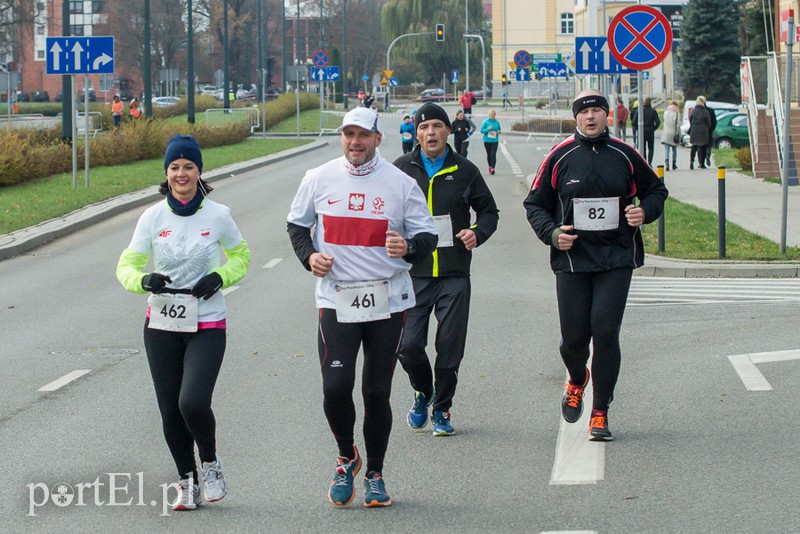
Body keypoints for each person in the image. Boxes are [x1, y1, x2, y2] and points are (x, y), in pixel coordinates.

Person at [286, 107, 437, 508]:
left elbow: (427, 234)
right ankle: (346, 455)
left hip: (388, 300)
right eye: (348, 135)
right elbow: (298, 225)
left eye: (363, 135)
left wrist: (409, 247)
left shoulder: (401, 184)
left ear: (377, 139)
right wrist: (309, 257)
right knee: (335, 387)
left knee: (375, 391)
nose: (355, 142)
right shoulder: (317, 178)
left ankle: (375, 473)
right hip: (336, 297)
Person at [115, 134, 251, 511]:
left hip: (206, 322)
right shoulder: (152, 216)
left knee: (192, 401)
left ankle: (209, 462)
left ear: (199, 172)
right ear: (166, 173)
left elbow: (241, 256)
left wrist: (221, 277)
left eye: (188, 167)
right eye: (174, 167)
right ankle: (186, 481)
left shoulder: (218, 215)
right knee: (170, 408)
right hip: (161, 324)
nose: (181, 174)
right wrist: (143, 280)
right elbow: (126, 264)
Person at [523, 90, 668, 442]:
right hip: (573, 259)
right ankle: (576, 379)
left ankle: (600, 412)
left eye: (597, 111)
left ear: (607, 116)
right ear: (576, 118)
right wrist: (553, 234)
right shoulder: (560, 156)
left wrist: (644, 211)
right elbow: (535, 204)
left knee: (605, 333)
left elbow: (656, 191)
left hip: (617, 257)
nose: (591, 117)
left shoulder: (625, 154)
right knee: (573, 341)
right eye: (584, 112)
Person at [393, 102, 499, 436]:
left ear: (448, 131)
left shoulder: (465, 170)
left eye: (437, 126)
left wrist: (477, 232)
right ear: (416, 133)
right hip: (413, 273)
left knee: (450, 346)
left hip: (454, 273)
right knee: (407, 346)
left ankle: (442, 408)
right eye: (424, 127)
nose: (430, 133)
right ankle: (423, 391)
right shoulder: (400, 170)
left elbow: (489, 212)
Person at [689, 96, 711, 169]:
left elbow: (690, 120)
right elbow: (709, 123)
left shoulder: (693, 111)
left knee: (693, 147)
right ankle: (701, 163)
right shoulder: (705, 112)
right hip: (703, 131)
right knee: (702, 147)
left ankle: (691, 161)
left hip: (694, 130)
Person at [661, 100, 681, 171]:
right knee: (674, 149)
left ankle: (666, 161)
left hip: (666, 133)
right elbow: (678, 125)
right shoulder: (677, 113)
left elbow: (664, 122)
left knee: (667, 149)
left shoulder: (665, 112)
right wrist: (679, 134)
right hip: (673, 133)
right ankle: (674, 163)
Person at [480, 109, 501, 175]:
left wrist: (498, 132)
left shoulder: (497, 122)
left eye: (494, 114)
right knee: (489, 154)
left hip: (495, 140)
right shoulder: (486, 122)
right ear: (489, 115)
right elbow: (481, 131)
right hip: (487, 140)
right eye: (491, 114)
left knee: (493, 154)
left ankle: (493, 168)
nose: (493, 115)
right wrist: (488, 129)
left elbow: (499, 130)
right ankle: (490, 166)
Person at [641, 97, 661, 166]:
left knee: (642, 147)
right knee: (651, 147)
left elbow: (634, 121)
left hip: (642, 131)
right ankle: (650, 162)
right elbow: (658, 122)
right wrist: (653, 128)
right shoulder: (653, 111)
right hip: (650, 131)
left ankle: (644, 161)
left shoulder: (641, 111)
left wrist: (639, 129)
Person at [702, 96, 718, 167]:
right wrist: (711, 129)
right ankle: (708, 155)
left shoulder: (698, 110)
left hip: (701, 131)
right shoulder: (710, 110)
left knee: (702, 146)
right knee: (708, 145)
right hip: (709, 130)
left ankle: (701, 161)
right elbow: (714, 121)